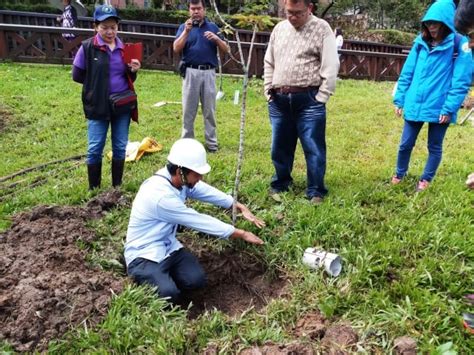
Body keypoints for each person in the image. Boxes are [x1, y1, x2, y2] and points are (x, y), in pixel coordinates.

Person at [124, 138, 266, 304]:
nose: (200, 178)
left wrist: (237, 205)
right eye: (197, 174)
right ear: (180, 171)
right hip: (143, 254)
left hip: (168, 246)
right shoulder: (160, 196)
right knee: (168, 295)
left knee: (196, 280)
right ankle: (155, 281)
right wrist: (241, 233)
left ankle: (165, 280)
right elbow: (198, 220)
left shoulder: (177, 179)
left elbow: (203, 190)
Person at [263, 0, 339, 205]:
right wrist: (268, 90)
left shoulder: (322, 28)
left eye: (298, 13)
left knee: (313, 146)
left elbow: (331, 65)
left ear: (309, 9)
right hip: (278, 100)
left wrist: (322, 96)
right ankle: (281, 182)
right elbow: (269, 62)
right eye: (289, 12)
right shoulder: (279, 29)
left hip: (309, 100)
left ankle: (315, 190)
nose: (292, 17)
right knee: (279, 146)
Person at [392, 0, 472, 192]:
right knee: (405, 144)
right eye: (428, 23)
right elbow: (407, 73)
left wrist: (449, 107)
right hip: (415, 102)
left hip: (440, 105)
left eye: (436, 23)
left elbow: (461, 80)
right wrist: (400, 98)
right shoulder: (419, 43)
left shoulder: (460, 44)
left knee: (434, 146)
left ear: (447, 22)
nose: (431, 27)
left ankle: (426, 179)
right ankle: (399, 173)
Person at [72, 5, 141, 190]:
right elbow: (77, 75)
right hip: (97, 106)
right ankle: (94, 189)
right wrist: (96, 89)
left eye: (113, 27)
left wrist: (133, 70)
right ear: (95, 26)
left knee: (119, 147)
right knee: (95, 148)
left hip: (122, 105)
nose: (109, 31)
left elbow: (127, 76)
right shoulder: (87, 47)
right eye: (104, 27)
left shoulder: (123, 48)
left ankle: (116, 187)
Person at [173, 0, 229, 153]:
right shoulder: (184, 28)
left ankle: (212, 144)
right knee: (188, 111)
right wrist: (186, 32)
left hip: (209, 73)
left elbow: (226, 49)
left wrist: (217, 39)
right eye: (193, 9)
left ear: (204, 10)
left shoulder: (213, 27)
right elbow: (176, 48)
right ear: (189, 10)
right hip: (190, 72)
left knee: (209, 110)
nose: (195, 12)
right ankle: (187, 144)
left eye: (198, 8)